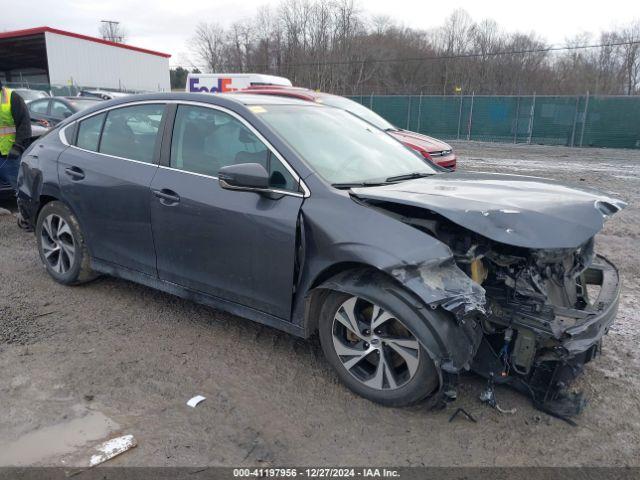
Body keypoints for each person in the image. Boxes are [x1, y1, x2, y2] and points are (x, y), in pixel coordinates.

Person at [0, 80, 32, 193]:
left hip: (9, 157)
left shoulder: (12, 97)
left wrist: (18, 147)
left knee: (21, 190)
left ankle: (26, 210)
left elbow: (25, 125)